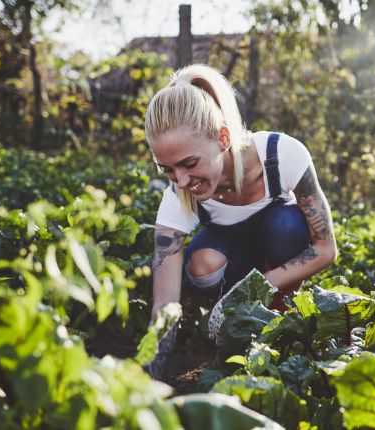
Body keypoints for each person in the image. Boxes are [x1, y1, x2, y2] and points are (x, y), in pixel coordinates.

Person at [143, 64, 337, 380]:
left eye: (189, 163)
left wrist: (253, 290)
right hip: (231, 256)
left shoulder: (282, 155)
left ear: (222, 138)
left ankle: (275, 318)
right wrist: (150, 371)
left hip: (277, 253)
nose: (179, 180)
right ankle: (226, 325)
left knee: (287, 225)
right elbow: (164, 303)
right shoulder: (177, 197)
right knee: (203, 265)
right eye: (167, 169)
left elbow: (326, 249)